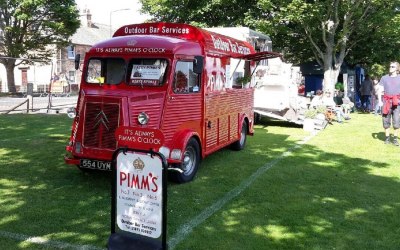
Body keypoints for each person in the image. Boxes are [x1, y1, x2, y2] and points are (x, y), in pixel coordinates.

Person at [379, 62, 400, 146]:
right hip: (386, 101)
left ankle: (395, 139)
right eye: (390, 66)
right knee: (386, 120)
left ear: (397, 68)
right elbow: (380, 90)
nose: (390, 67)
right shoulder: (384, 78)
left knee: (397, 121)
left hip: (397, 102)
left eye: (393, 66)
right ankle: (387, 138)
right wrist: (380, 101)